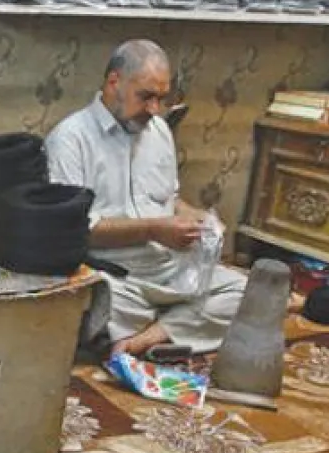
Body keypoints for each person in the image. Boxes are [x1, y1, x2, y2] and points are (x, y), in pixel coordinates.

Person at [46, 39, 247, 358]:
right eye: (146, 97)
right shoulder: (70, 139)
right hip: (113, 275)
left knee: (244, 291)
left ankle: (147, 337)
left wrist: (196, 217)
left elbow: (171, 199)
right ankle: (173, 327)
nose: (155, 109)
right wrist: (154, 229)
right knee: (83, 306)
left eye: (161, 99)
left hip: (166, 268)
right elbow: (73, 230)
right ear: (114, 82)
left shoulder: (159, 132)